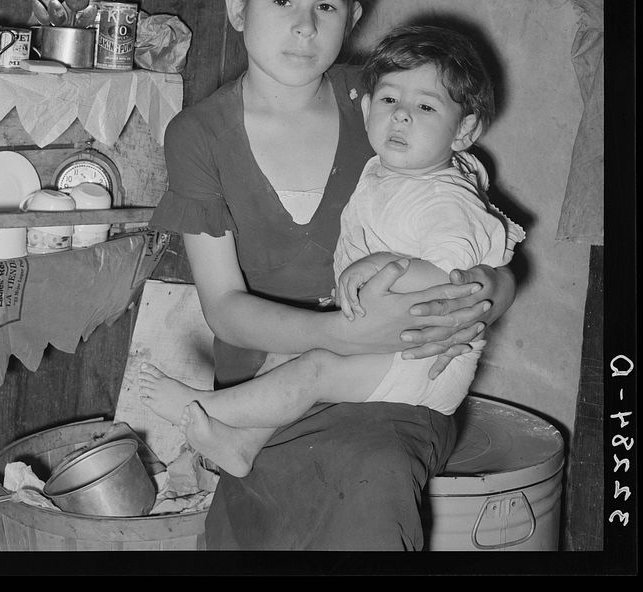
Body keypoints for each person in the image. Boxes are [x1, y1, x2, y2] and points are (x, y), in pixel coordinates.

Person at [145, 0, 517, 551]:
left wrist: (483, 295)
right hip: (264, 388)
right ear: (238, 6)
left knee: (370, 482)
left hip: (394, 390)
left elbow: (477, 235)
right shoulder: (198, 136)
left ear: (353, 16)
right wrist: (340, 334)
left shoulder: (378, 102)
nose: (304, 27)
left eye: (326, 7)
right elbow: (226, 307)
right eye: (282, 2)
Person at [140, 24, 525, 466]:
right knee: (287, 353)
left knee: (314, 370)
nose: (400, 115)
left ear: (464, 131)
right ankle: (242, 444)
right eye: (388, 100)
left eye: (424, 106)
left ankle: (201, 410)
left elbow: (453, 280)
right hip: (383, 337)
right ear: (366, 106)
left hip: (422, 360)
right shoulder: (391, 170)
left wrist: (386, 264)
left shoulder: (443, 197)